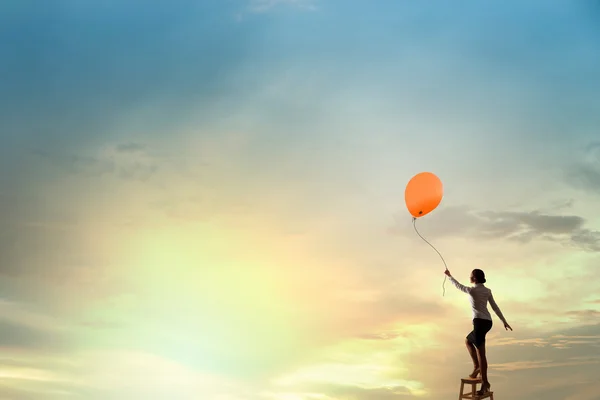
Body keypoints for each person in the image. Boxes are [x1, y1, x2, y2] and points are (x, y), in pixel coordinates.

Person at [444, 268, 512, 396]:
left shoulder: (472, 290)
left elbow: (458, 286)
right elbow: (495, 307)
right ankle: (477, 367)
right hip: (487, 322)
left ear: (474, 278)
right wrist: (504, 321)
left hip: (479, 323)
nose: (469, 277)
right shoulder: (487, 291)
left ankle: (485, 383)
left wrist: (449, 276)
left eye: (470, 276)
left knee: (481, 353)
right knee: (468, 341)